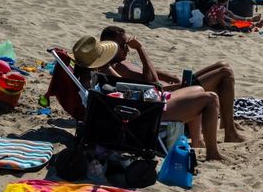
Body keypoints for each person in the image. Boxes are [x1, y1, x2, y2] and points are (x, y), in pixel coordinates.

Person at [71, 35, 224, 160]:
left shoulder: (90, 78)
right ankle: (213, 153)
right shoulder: (100, 76)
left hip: (140, 105)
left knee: (197, 89)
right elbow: (151, 82)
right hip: (144, 113)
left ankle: (198, 142)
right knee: (211, 98)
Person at [98, 25, 244, 144]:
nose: (128, 49)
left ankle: (226, 122)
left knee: (222, 64)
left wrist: (173, 77)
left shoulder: (122, 62)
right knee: (225, 73)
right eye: (124, 46)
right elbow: (152, 82)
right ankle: (229, 131)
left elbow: (149, 73)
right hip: (168, 97)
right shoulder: (117, 67)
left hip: (173, 89)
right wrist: (140, 49)